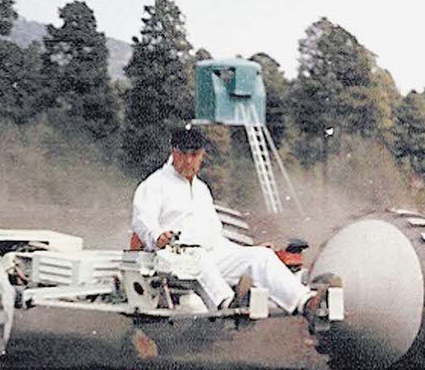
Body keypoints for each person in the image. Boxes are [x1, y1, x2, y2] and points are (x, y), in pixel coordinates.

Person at [131, 123, 324, 323]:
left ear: (202, 155)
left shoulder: (202, 189)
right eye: (183, 154)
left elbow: (215, 235)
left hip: (211, 253)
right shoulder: (154, 185)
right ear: (174, 152)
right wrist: (157, 236)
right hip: (172, 258)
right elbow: (142, 219)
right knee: (197, 259)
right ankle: (227, 303)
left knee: (260, 256)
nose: (188, 161)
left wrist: (244, 250)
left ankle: (306, 302)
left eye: (194, 155)